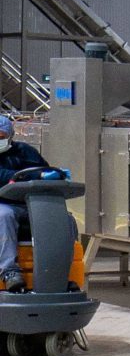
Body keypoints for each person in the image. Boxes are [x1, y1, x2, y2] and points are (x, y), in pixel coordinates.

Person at [0, 115, 52, 291]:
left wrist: (53, 175)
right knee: (3, 215)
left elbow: (44, 169)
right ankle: (9, 271)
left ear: (10, 136)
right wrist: (35, 176)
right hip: (3, 205)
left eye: (1, 137)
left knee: (60, 217)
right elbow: (5, 177)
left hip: (26, 203)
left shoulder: (24, 151)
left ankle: (55, 270)